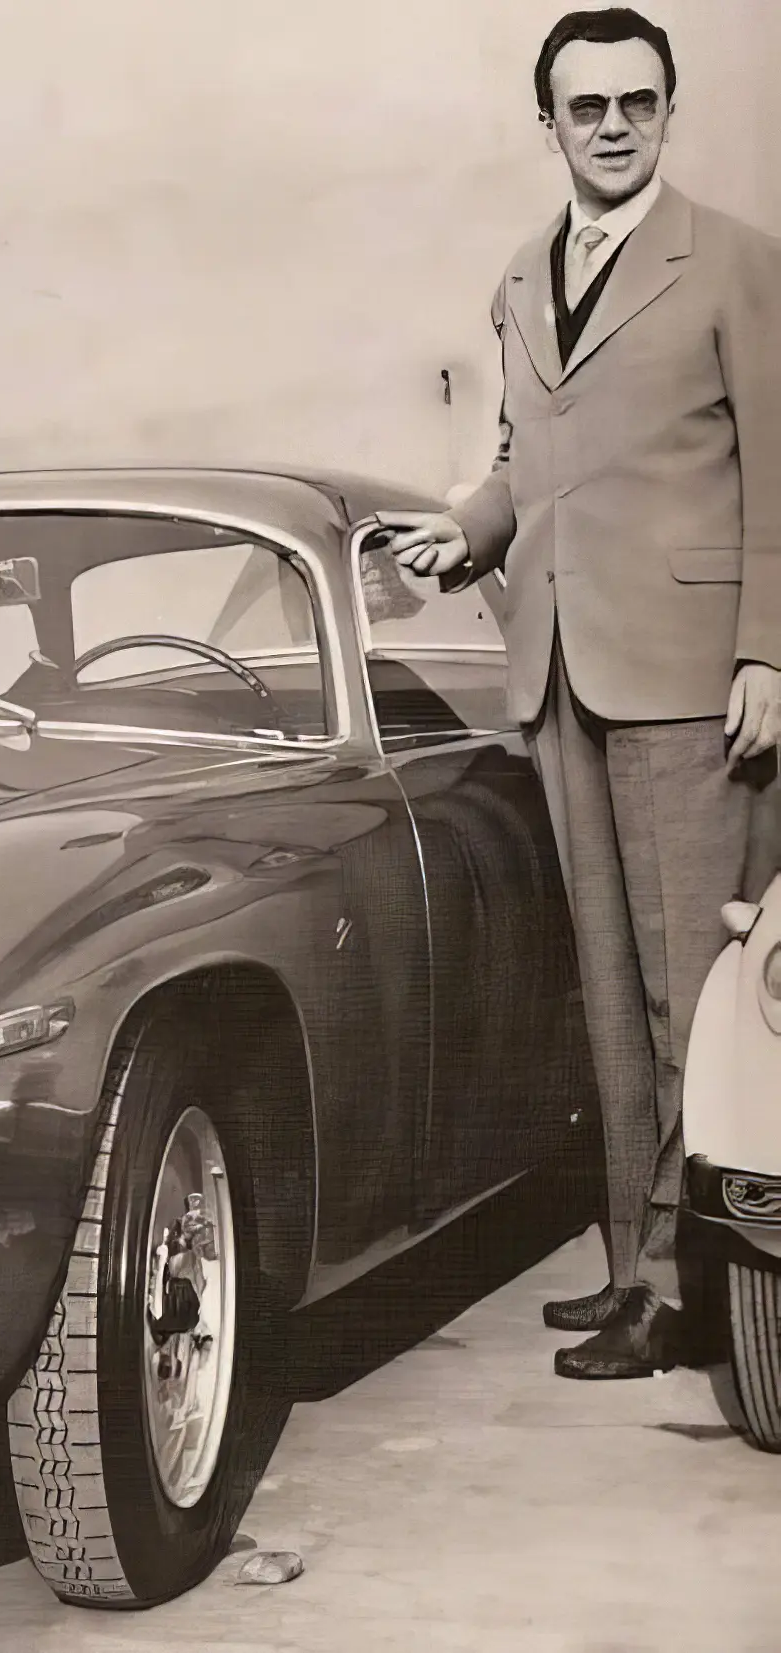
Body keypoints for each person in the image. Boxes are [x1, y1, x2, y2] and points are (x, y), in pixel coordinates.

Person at [380, 8, 781, 1379]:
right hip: (559, 671)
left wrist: (768, 652)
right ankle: (631, 1269)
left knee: (692, 997)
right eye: (587, 106)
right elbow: (527, 462)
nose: (614, 126)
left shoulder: (736, 263)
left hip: (689, 679)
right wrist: (469, 533)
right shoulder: (523, 271)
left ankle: (687, 1286)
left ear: (669, 110)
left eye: (638, 102)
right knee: (608, 995)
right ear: (545, 121)